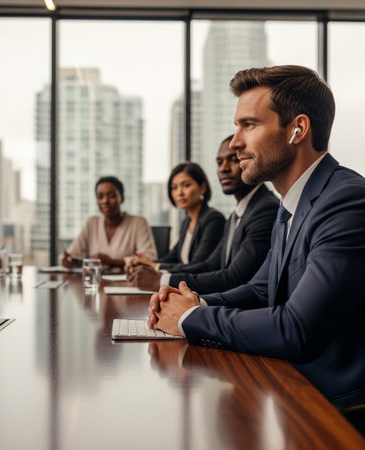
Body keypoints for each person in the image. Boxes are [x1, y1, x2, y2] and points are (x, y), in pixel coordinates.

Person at [148, 65, 365, 415]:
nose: (235, 143)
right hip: (290, 392)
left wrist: (190, 318)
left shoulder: (346, 201)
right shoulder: (292, 203)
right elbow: (260, 290)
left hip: (336, 412)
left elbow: (297, 329)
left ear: (298, 129)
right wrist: (191, 301)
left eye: (248, 125)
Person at [127, 135, 279, 292]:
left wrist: (161, 279)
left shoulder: (264, 209)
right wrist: (154, 270)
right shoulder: (235, 216)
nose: (223, 168)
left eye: (234, 159)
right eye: (219, 163)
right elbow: (210, 265)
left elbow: (234, 278)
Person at [132, 162, 225, 271]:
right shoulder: (187, 222)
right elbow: (173, 257)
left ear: (202, 188)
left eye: (186, 185)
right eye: (174, 187)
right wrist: (146, 263)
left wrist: (155, 266)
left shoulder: (213, 219)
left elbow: (199, 264)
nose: (179, 193)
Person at [62, 176, 157, 270]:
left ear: (122, 198)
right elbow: (72, 253)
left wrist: (113, 262)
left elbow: (148, 258)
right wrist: (68, 260)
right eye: (100, 197)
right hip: (95, 281)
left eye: (112, 196)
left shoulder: (138, 222)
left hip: (128, 282)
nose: (105, 201)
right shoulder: (92, 222)